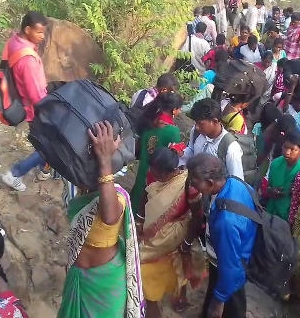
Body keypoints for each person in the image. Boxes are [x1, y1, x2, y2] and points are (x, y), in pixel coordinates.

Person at [58, 121, 143, 318]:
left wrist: (104, 161)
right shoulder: (82, 191)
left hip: (105, 286)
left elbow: (109, 217)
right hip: (78, 277)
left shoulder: (117, 197)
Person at [186, 154, 258, 318]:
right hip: (234, 258)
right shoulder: (237, 183)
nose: (192, 186)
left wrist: (219, 301)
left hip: (231, 271)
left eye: (195, 182)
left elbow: (230, 268)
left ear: (210, 183)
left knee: (230, 307)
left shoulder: (225, 221)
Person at [138, 148, 205, 318]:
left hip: (177, 230)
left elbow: (197, 216)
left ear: (170, 171)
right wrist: (139, 221)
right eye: (152, 170)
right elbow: (146, 195)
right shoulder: (155, 175)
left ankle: (177, 295)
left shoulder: (188, 184)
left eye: (157, 173)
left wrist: (187, 242)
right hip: (154, 227)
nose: (153, 174)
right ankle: (155, 298)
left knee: (172, 261)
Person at [0, 12, 51, 191]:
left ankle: (44, 169)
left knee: (44, 141)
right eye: (39, 32)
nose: (42, 36)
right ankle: (14, 173)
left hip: (19, 96)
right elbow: (36, 95)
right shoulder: (28, 60)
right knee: (48, 146)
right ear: (28, 29)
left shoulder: (15, 41)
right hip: (33, 107)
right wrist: (49, 108)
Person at [131, 92, 183, 214]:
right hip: (157, 173)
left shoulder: (151, 120)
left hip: (144, 166)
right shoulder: (173, 131)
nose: (180, 111)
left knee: (138, 191)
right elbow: (177, 155)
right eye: (179, 109)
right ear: (174, 110)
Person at [179, 98, 244, 180]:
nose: (197, 127)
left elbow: (236, 180)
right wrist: (182, 154)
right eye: (195, 122)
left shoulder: (230, 147)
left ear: (215, 121)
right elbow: (192, 150)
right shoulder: (197, 132)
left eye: (200, 123)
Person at [264, 130, 300, 221]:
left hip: (288, 217)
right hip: (271, 211)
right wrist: (270, 191)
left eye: (292, 149)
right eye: (285, 147)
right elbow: (268, 185)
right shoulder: (275, 163)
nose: (287, 152)